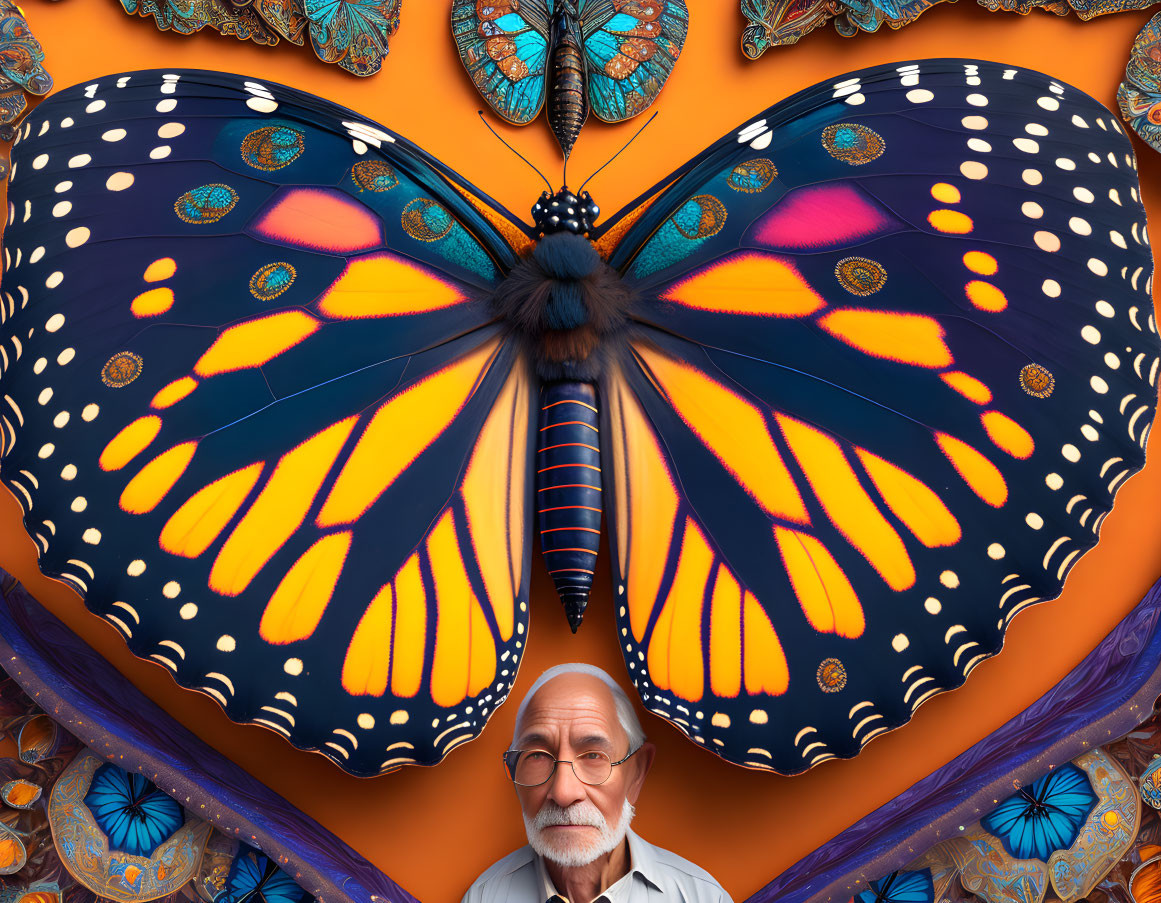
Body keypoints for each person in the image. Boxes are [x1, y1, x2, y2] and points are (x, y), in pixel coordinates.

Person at [462, 663, 734, 903]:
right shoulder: (484, 897)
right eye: (537, 756)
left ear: (636, 772)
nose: (564, 793)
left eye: (593, 755)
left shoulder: (703, 897)